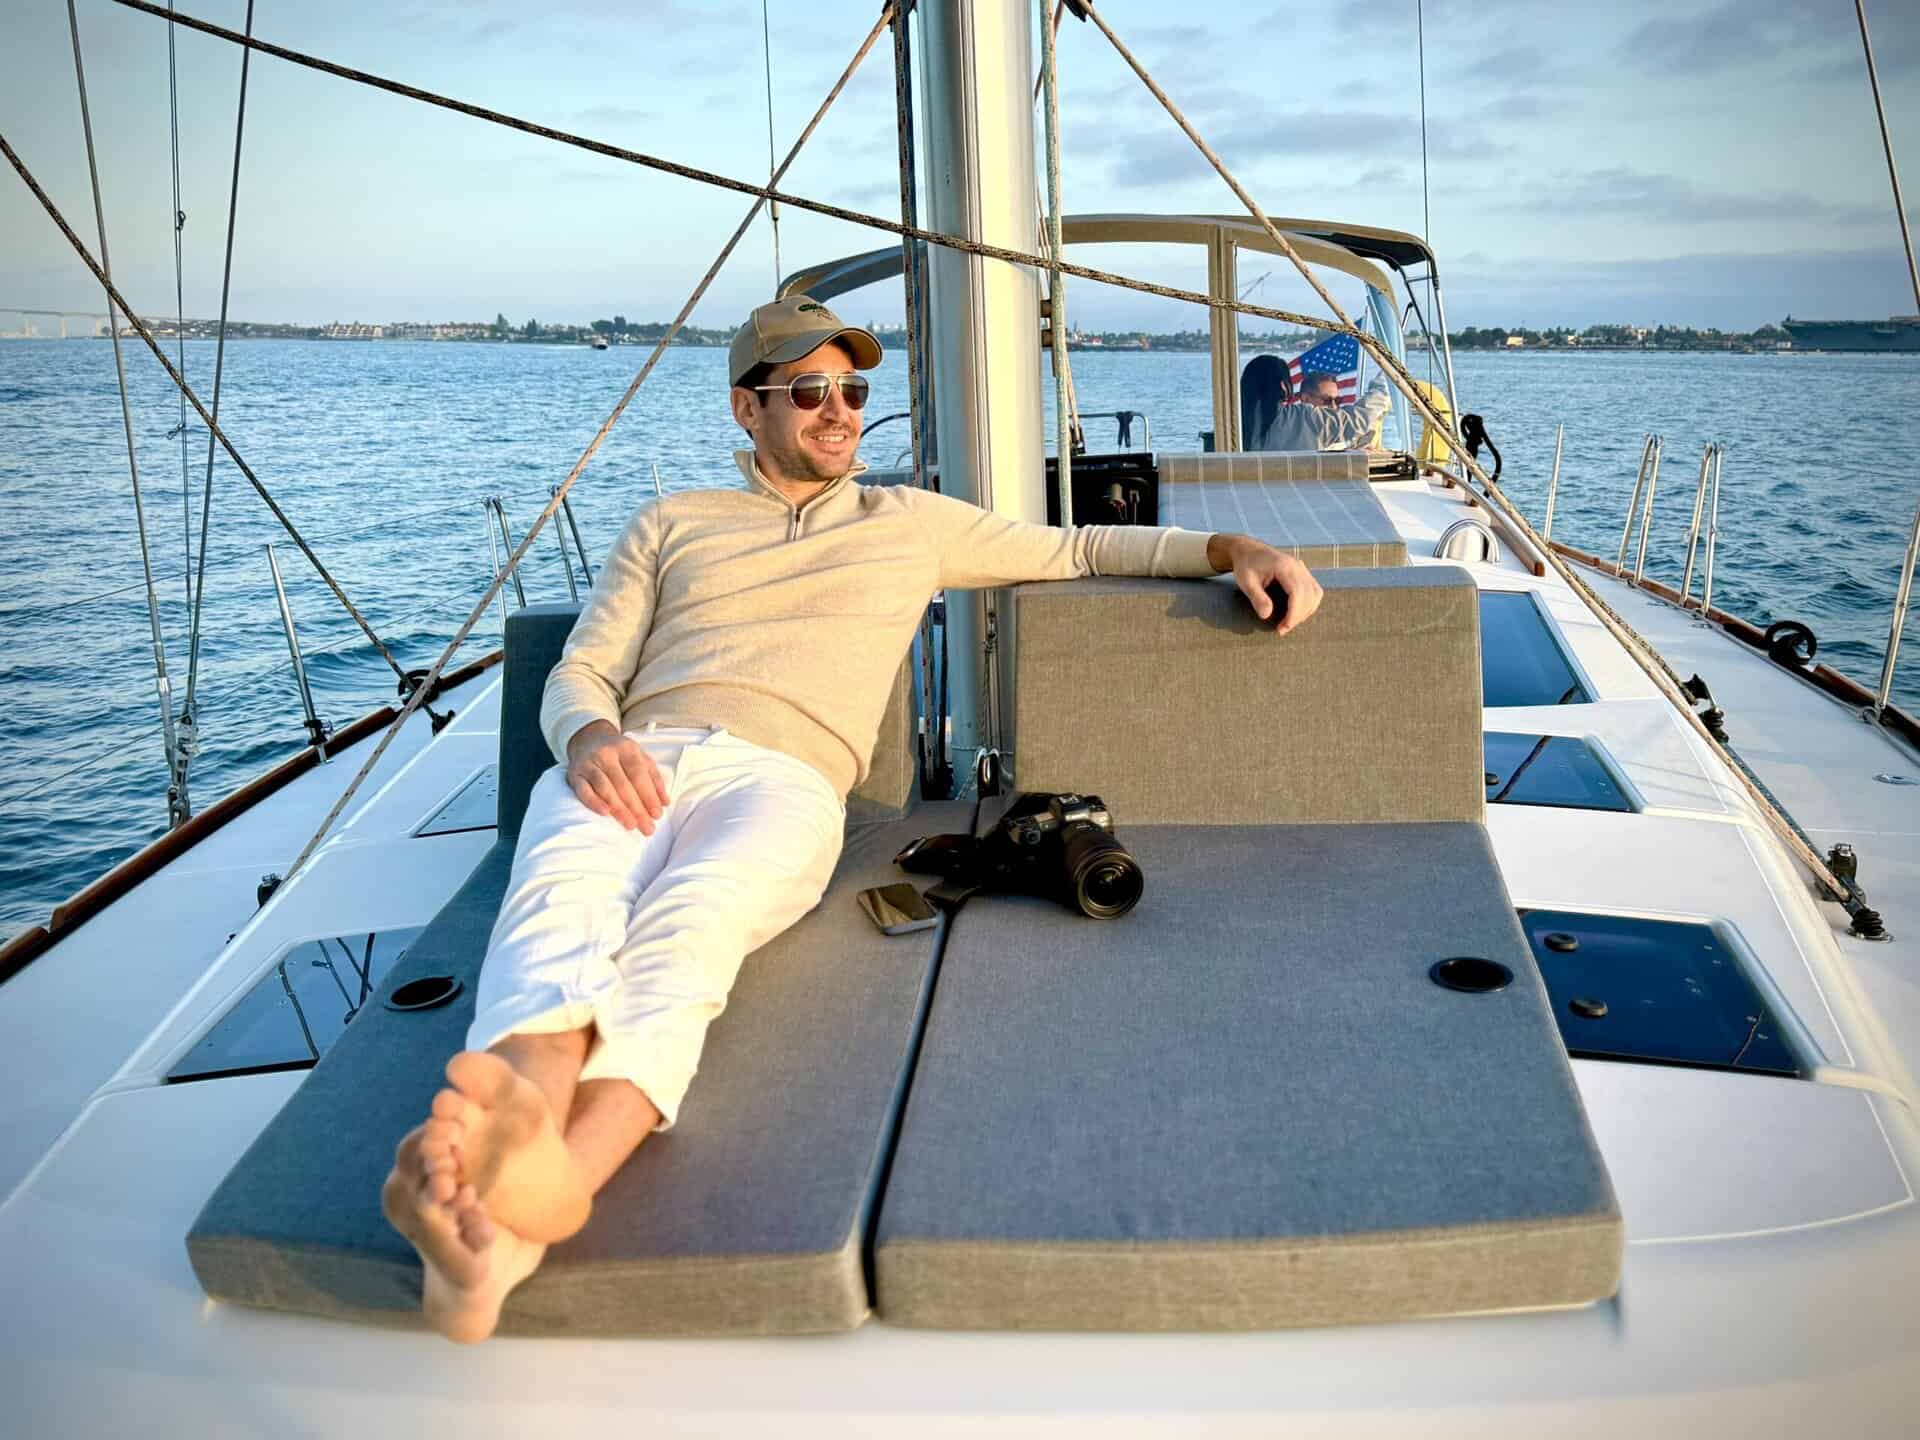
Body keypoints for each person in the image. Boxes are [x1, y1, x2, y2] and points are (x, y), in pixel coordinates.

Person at [381, 295, 1325, 1343]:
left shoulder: (909, 522)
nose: (840, 411)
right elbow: (584, 672)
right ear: (748, 409)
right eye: (810, 391)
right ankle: (507, 1203)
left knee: (691, 923)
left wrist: (1235, 545)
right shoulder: (672, 522)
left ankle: (535, 1178)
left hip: (781, 779)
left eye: (853, 390)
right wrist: (590, 739)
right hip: (637, 754)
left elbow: (1078, 549)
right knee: (562, 909)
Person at [1249, 367, 1391, 452]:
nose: (1334, 407)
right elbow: (1360, 418)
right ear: (1304, 399)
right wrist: (1387, 378)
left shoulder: (1251, 420)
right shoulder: (1309, 420)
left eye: (1338, 401)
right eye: (1327, 400)